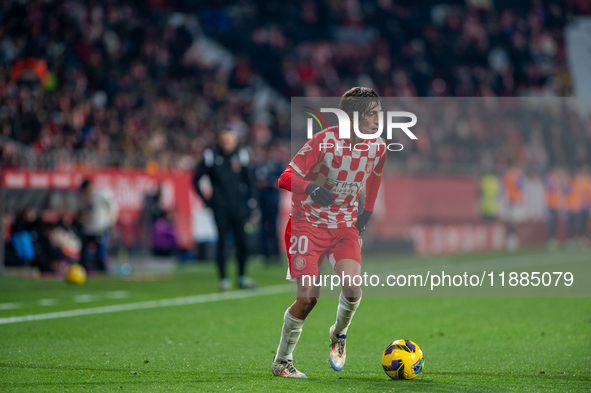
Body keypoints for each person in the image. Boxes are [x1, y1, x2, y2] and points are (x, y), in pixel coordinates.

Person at [271, 87, 386, 378]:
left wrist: (367, 212)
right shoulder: (324, 141)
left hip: (343, 227)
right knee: (308, 298)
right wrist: (310, 187)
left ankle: (339, 333)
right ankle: (282, 361)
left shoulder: (378, 147)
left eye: (378, 113)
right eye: (371, 114)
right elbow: (285, 176)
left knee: (352, 288)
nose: (377, 119)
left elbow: (374, 176)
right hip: (307, 226)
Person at [193, 129, 257, 291]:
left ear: (235, 141)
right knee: (222, 242)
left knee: (242, 242)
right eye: (224, 140)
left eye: (230, 140)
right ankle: (224, 279)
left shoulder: (241, 156)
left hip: (238, 207)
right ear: (219, 141)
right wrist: (207, 200)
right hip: (220, 208)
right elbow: (196, 179)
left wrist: (250, 202)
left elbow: (249, 181)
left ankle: (242, 276)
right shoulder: (211, 157)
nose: (227, 143)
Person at [79, 178, 118, 272]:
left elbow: (113, 207)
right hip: (88, 228)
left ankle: (102, 269)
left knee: (101, 251)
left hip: (101, 227)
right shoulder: (83, 197)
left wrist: (111, 221)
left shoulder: (101, 194)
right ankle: (85, 269)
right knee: (84, 251)